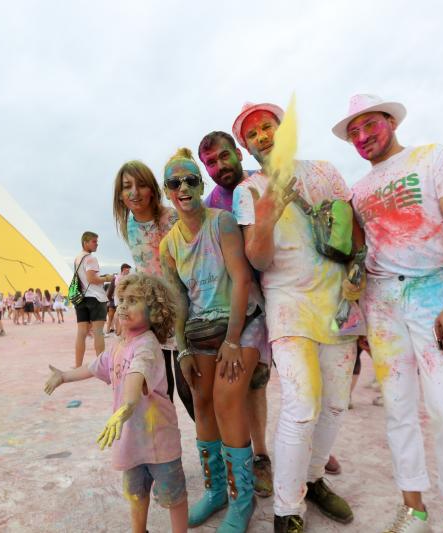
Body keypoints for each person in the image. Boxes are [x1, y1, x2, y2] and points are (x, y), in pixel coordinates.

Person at [333, 93, 443, 532]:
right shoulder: (357, 190)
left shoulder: (436, 158)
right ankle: (413, 506)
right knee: (398, 409)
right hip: (381, 302)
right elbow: (359, 254)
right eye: (353, 132)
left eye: (370, 125)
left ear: (390, 122)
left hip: (435, 293)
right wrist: (361, 316)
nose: (362, 136)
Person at [232, 102, 358, 532]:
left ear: (282, 130)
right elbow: (259, 260)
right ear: (245, 146)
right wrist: (267, 219)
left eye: (268, 127)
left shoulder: (324, 171)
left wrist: (358, 278)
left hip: (338, 305)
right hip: (288, 306)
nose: (262, 137)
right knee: (302, 405)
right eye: (252, 134)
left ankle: (312, 478)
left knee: (336, 405)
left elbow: (353, 230)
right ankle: (288, 509)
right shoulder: (248, 191)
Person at [159, 148, 269, 532]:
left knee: (226, 400)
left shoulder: (221, 223)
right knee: (202, 404)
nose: (184, 187)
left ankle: (243, 501)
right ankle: (217, 492)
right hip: (200, 334)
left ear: (200, 185)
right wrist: (184, 349)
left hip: (244, 325)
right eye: (175, 182)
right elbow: (179, 301)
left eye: (191, 180)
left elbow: (241, 279)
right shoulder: (169, 245)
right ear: (167, 191)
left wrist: (235, 339)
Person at [44, 273, 188, 533]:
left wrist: (126, 407)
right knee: (136, 493)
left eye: (132, 301)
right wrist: (64, 376)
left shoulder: (147, 346)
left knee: (173, 497)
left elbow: (135, 378)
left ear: (154, 311)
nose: (122, 306)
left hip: (159, 441)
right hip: (131, 440)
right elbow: (92, 368)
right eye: (121, 299)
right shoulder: (120, 346)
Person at [199, 130, 274, 498]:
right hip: (236, 308)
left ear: (239, 153)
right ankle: (254, 456)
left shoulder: (259, 185)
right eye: (210, 162)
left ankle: (297, 454)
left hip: (274, 295)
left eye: (224, 156)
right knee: (246, 385)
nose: (219, 166)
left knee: (275, 383)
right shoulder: (212, 201)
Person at [112, 160, 194, 420]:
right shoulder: (129, 226)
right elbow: (143, 269)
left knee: (188, 389)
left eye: (141, 185)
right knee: (160, 390)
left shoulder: (171, 218)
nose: (134, 192)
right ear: (120, 194)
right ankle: (165, 452)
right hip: (154, 318)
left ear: (153, 190)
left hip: (183, 313)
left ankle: (214, 452)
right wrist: (122, 308)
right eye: (127, 187)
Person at [73, 232, 113, 368]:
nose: (97, 244)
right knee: (98, 332)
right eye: (94, 241)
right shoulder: (90, 258)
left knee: (81, 333)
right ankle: (101, 367)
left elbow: (85, 279)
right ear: (86, 242)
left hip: (81, 299)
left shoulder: (77, 258)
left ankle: (78, 365)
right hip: (95, 298)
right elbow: (92, 279)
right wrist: (107, 278)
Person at [105, 263, 131, 334]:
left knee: (115, 314)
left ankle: (116, 330)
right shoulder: (120, 278)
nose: (129, 272)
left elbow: (111, 289)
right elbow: (112, 289)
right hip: (120, 298)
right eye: (128, 270)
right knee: (118, 314)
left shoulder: (117, 277)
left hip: (116, 299)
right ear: (124, 269)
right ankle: (118, 331)